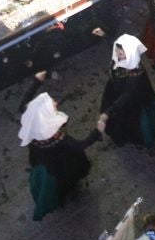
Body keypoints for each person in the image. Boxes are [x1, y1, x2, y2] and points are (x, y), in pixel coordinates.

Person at [21, 84, 101, 220]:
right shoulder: (58, 138)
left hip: (42, 163)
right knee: (65, 184)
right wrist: (97, 132)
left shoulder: (35, 127)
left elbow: (25, 103)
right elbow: (79, 146)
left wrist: (36, 81)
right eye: (52, 104)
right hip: (61, 167)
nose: (56, 103)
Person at [101, 35, 155, 148]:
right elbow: (116, 46)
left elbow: (127, 95)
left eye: (120, 54)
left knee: (135, 124)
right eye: (117, 52)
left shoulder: (134, 72)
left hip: (133, 103)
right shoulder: (123, 57)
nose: (117, 55)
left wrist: (108, 112)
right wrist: (104, 36)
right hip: (116, 92)